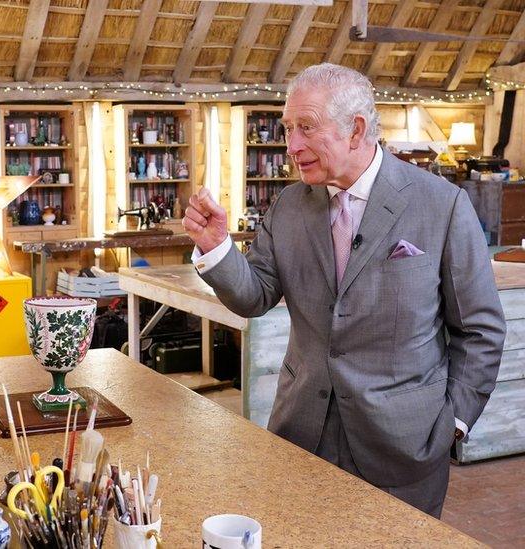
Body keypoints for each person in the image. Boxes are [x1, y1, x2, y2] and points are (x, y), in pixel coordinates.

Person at [183, 63, 505, 518]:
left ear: (355, 129)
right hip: (301, 439)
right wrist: (217, 248)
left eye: (306, 128)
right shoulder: (288, 205)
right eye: (288, 129)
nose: (291, 146)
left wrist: (451, 424)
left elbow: (480, 331)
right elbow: (253, 295)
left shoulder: (442, 205)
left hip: (405, 451)